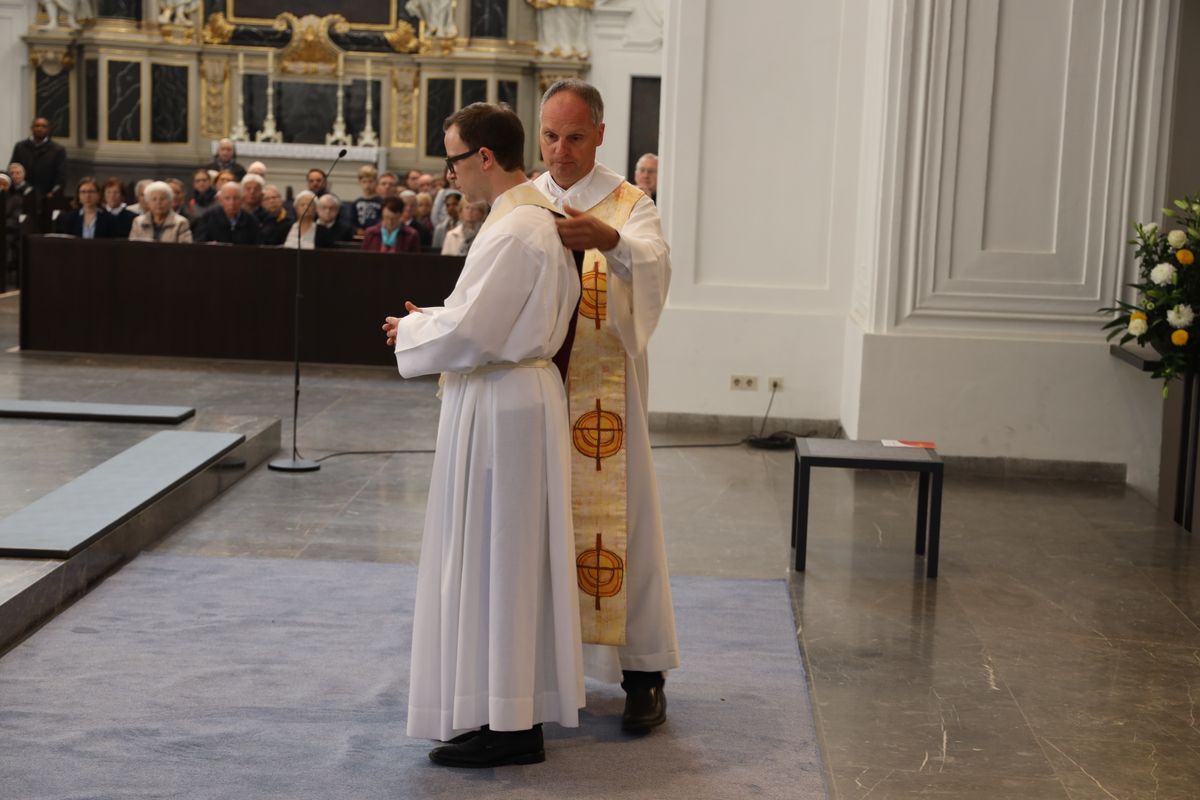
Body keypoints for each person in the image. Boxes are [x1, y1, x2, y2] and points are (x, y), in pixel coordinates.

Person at [381, 101, 584, 768]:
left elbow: (475, 334)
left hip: (505, 406)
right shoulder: (528, 220)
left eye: (454, 161)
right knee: (502, 558)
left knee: (501, 559)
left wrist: (412, 330)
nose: (450, 176)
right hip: (511, 395)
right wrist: (437, 317)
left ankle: (513, 725)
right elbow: (483, 317)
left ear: (486, 159)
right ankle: (501, 709)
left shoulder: (515, 230)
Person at [534, 79, 678, 731]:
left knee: (627, 526)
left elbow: (655, 264)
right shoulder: (524, 200)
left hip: (607, 403)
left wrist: (612, 243)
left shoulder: (629, 203)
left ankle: (644, 672)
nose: (559, 152)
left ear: (598, 134)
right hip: (536, 396)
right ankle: (534, 671)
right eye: (549, 136)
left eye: (572, 137)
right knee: (539, 532)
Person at [9, 117, 66, 199]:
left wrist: (53, 192)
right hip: (22, 194)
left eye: (43, 126)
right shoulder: (20, 147)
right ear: (31, 128)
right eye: (37, 126)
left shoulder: (58, 150)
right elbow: (13, 168)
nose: (40, 128)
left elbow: (61, 176)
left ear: (49, 129)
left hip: (46, 195)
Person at [194, 181, 261, 245]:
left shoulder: (250, 220)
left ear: (242, 200)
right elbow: (199, 243)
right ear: (221, 200)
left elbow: (256, 246)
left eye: (236, 198)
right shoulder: (209, 217)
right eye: (227, 198)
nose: (232, 203)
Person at [352, 165, 383, 233]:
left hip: (376, 234)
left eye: (370, 181)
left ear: (376, 182)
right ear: (360, 182)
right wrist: (357, 229)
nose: (367, 185)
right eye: (364, 182)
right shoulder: (356, 202)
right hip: (360, 235)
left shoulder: (382, 202)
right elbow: (352, 221)